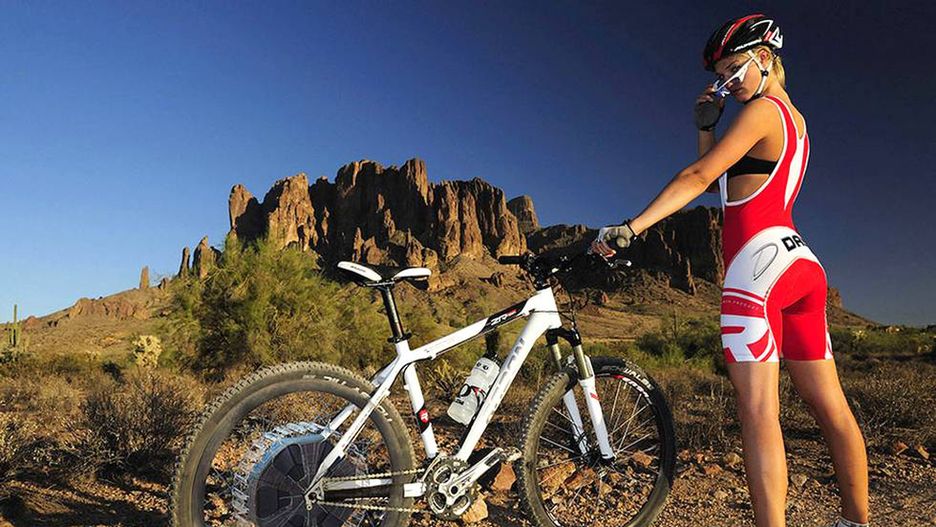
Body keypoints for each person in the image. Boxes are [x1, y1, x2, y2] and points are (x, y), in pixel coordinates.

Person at [590, 14, 869, 527]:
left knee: (759, 412)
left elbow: (699, 177)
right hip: (799, 262)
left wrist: (632, 227)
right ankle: (855, 521)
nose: (726, 82)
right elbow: (729, 184)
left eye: (732, 69)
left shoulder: (762, 110)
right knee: (830, 406)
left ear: (764, 58)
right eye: (720, 75)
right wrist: (707, 129)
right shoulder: (796, 121)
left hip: (757, 268)